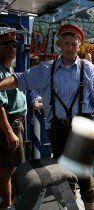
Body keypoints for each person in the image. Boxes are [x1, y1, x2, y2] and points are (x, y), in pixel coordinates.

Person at [0, 24, 94, 210]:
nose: (69, 47)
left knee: (86, 178)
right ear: (59, 44)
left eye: (73, 44)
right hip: (58, 131)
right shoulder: (46, 69)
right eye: (65, 43)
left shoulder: (89, 68)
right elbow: (20, 79)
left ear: (79, 45)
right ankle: (70, 206)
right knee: (64, 176)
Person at [0, 29, 27, 209]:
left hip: (16, 122)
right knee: (6, 170)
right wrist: (9, 132)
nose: (13, 48)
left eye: (14, 45)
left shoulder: (7, 69)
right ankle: (7, 206)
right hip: (9, 124)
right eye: (7, 46)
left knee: (10, 169)